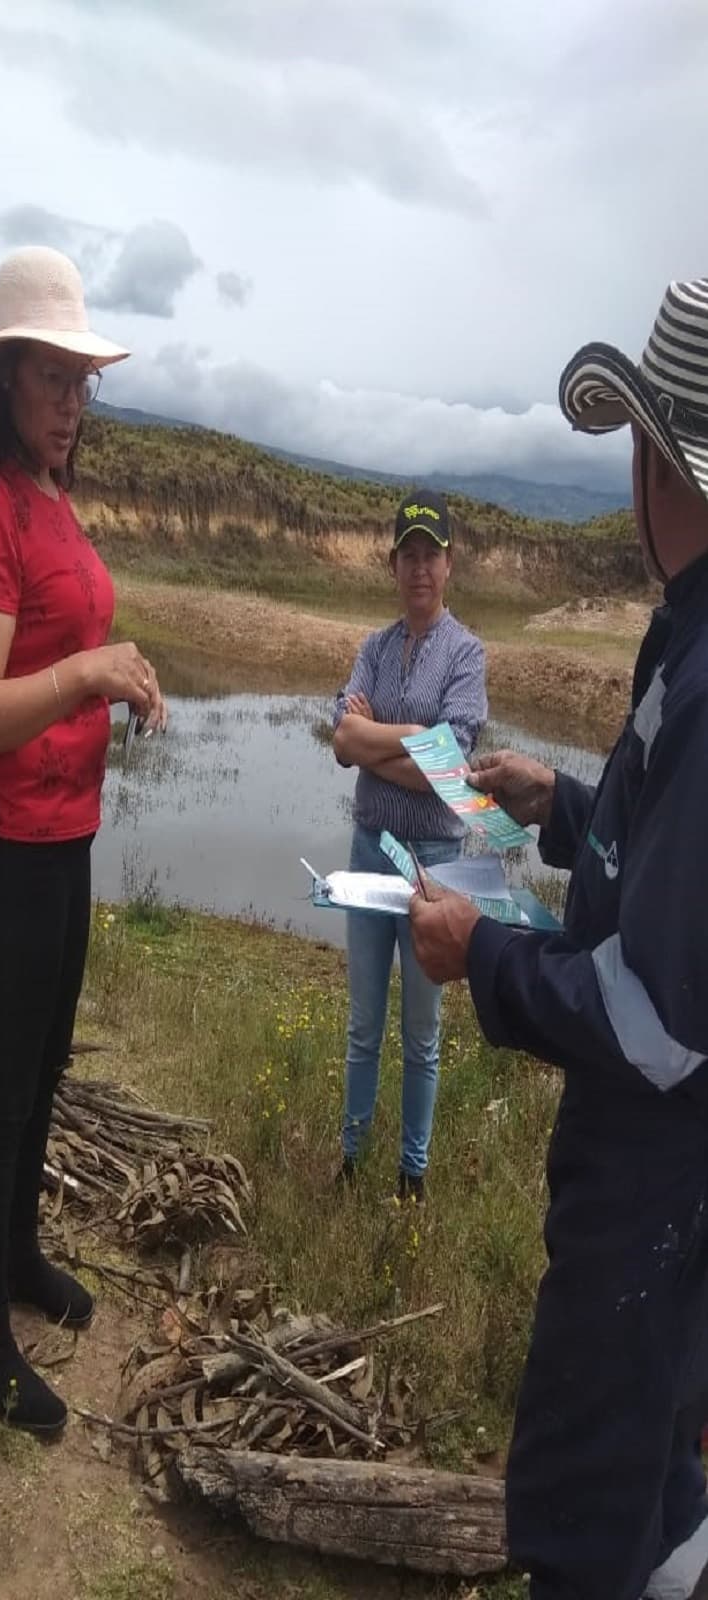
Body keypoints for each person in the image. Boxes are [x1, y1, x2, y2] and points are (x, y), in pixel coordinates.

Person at [410, 277, 708, 1600]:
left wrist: (480, 952)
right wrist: (566, 807)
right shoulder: (685, 646)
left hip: (652, 1209)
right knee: (657, 1502)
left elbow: (655, 1017)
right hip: (672, 1218)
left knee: (588, 1530)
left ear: (659, 459)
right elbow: (671, 879)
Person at [0, 245, 167, 1437]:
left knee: (44, 1071)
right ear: (5, 380)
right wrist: (85, 671)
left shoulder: (49, 492)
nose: (76, 403)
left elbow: (65, 643)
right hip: (8, 845)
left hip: (63, 836)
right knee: (0, 1088)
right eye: (55, 379)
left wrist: (111, 671)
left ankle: (18, 1255)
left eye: (84, 382)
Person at [331, 490, 487, 1201]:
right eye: (408, 555)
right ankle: (352, 1157)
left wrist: (377, 743)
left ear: (449, 565)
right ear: (393, 564)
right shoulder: (373, 647)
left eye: (432, 554)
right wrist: (413, 748)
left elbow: (453, 761)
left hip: (436, 867)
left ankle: (412, 1174)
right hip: (370, 852)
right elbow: (341, 738)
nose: (419, 568)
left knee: (422, 1033)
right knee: (365, 1020)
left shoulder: (467, 654)